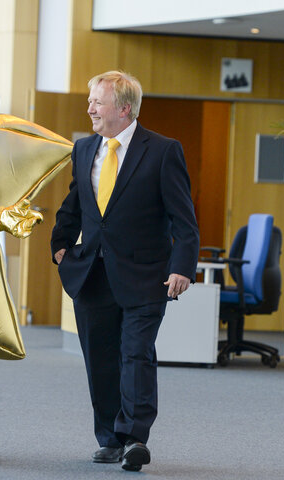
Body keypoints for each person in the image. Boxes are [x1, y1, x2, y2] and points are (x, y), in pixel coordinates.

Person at [50, 70, 199, 471]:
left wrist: (182, 266)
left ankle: (134, 437)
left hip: (145, 275)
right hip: (92, 275)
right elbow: (74, 205)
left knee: (135, 355)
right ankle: (110, 438)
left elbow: (184, 218)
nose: (90, 108)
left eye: (97, 102)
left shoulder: (163, 150)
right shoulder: (84, 150)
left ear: (124, 108)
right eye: (90, 101)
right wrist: (60, 247)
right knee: (99, 359)